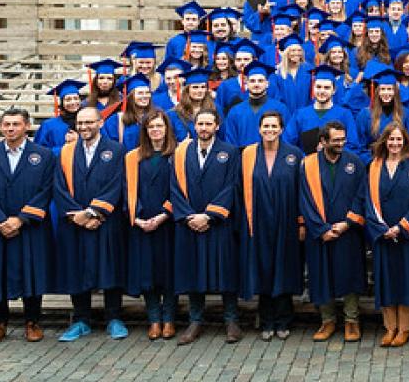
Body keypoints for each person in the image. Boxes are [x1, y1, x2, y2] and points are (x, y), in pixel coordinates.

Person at [0, 108, 56, 346]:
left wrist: (21, 219)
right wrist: (0, 221)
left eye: (16, 124)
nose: (11, 129)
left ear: (26, 126)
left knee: (31, 271)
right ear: (1, 127)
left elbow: (46, 190)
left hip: (28, 226)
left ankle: (32, 322)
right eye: (6, 124)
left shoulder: (44, 155)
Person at [53, 106, 129, 341]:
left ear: (100, 123)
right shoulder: (66, 152)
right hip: (74, 222)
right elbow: (59, 186)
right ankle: (81, 319)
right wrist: (77, 215)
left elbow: (117, 184)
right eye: (80, 123)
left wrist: (95, 213)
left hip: (105, 221)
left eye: (89, 122)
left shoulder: (116, 150)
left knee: (110, 266)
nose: (84, 127)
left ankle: (114, 318)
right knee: (76, 267)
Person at [171, 108, 243, 344]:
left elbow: (232, 186)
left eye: (208, 124)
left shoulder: (230, 152)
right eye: (200, 124)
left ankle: (231, 320)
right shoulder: (181, 153)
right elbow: (175, 188)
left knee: (226, 271)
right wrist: (190, 217)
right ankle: (195, 321)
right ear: (194, 125)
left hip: (218, 223)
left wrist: (210, 216)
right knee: (193, 271)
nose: (203, 128)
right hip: (190, 223)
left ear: (217, 126)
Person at [238, 110, 306, 340]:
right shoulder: (248, 155)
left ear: (281, 129)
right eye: (265, 126)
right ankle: (266, 320)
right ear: (259, 129)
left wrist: (301, 222)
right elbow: (240, 189)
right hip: (257, 221)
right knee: (264, 269)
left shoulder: (294, 155)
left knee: (283, 269)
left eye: (274, 126)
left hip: (286, 222)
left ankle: (284, 319)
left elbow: (303, 192)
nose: (269, 130)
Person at [300, 120, 369, 343]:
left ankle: (351, 321)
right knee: (322, 276)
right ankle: (327, 321)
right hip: (319, 233)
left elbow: (362, 196)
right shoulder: (308, 164)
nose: (341, 143)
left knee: (349, 276)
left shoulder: (355, 163)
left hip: (348, 232)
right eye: (336, 140)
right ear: (323, 141)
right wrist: (320, 229)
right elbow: (305, 200)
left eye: (343, 139)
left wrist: (347, 223)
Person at [365, 122, 409, 349]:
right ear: (385, 141)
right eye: (391, 139)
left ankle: (405, 328)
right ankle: (390, 326)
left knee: (407, 280)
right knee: (387, 280)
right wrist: (382, 229)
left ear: (405, 142)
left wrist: (402, 227)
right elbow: (368, 202)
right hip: (383, 234)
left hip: (407, 235)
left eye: (399, 139)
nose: (394, 143)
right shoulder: (373, 167)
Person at [124, 110, 178, 340]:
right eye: (151, 127)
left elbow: (181, 190)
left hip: (168, 224)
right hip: (142, 224)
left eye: (160, 126)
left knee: (168, 273)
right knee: (148, 274)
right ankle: (154, 319)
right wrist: (137, 218)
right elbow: (125, 190)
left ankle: (169, 319)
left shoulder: (178, 155)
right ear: (145, 131)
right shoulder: (132, 157)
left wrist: (164, 214)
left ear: (167, 129)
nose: (156, 130)